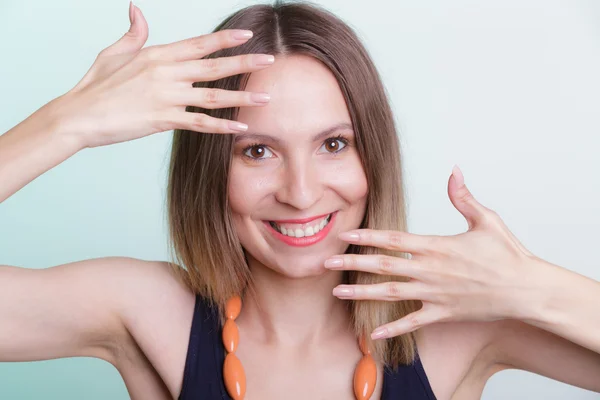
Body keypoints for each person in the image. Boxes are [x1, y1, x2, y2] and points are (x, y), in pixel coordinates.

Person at [1, 1, 599, 399]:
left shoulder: (460, 327)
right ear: (211, 170)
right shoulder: (146, 311)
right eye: (258, 151)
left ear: (374, 159)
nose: (302, 192)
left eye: (334, 144)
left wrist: (531, 289)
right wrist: (68, 123)